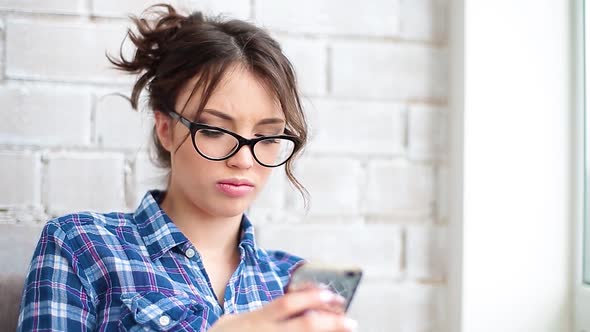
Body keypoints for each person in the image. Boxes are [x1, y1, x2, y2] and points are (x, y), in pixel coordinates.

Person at [17, 4, 358, 332]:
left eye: (267, 137)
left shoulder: (291, 282)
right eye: (213, 130)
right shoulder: (82, 245)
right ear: (165, 128)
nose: (244, 159)